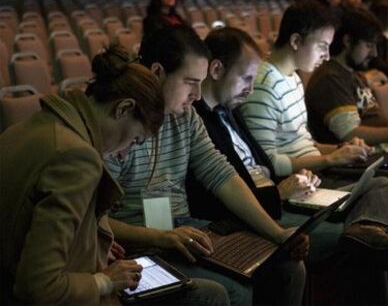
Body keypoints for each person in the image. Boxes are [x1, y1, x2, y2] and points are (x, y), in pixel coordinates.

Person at [0, 46, 230, 306]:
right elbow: (39, 286)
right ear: (123, 109)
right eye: (134, 140)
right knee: (211, 295)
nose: (123, 154)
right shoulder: (77, 158)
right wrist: (106, 281)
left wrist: (92, 242)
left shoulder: (30, 127)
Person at [106, 26, 308, 306]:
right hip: (139, 244)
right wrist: (161, 236)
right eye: (190, 82)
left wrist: (276, 232)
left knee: (287, 267)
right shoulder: (122, 124)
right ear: (157, 72)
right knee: (232, 291)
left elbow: (221, 175)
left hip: (184, 232)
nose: (198, 95)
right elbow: (94, 219)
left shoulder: (185, 116)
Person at [188, 26, 388, 277]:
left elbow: (264, 166)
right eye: (246, 79)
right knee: (361, 248)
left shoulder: (229, 109)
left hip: (283, 196)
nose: (250, 89)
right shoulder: (199, 120)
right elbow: (221, 193)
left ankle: (368, 231)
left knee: (381, 186)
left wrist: (299, 178)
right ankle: (368, 238)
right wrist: (281, 192)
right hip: (267, 212)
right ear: (217, 70)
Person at [239, 0, 370, 177]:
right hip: (298, 182)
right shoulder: (264, 87)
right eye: (322, 47)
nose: (327, 56)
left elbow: (303, 145)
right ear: (296, 41)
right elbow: (267, 163)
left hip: (316, 172)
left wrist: (342, 150)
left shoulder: (293, 77)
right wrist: (330, 159)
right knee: (384, 186)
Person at [306, 7, 388, 148]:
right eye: (369, 46)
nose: (374, 53)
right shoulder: (331, 78)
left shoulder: (350, 73)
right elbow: (350, 133)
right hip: (369, 162)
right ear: (348, 41)